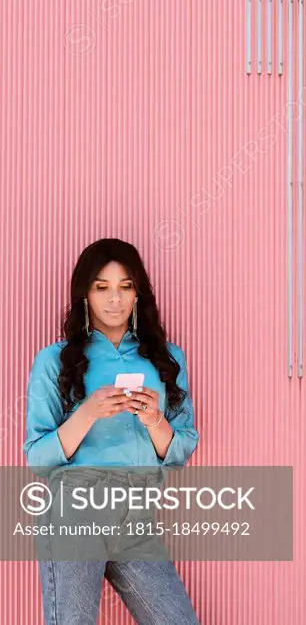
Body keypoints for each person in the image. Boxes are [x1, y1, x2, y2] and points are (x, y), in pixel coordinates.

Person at [23, 238, 200, 624]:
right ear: (85, 294)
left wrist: (154, 419)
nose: (114, 299)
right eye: (101, 287)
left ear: (138, 293)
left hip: (137, 514)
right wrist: (87, 412)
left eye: (125, 286)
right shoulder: (55, 360)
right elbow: (37, 456)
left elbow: (181, 450)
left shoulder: (168, 359)